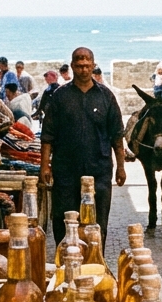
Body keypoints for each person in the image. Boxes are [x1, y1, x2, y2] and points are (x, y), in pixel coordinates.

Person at [40, 46, 126, 242]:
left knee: (97, 224)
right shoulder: (60, 97)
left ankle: (96, 265)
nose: (84, 70)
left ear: (93, 66)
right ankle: (64, 266)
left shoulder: (106, 96)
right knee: (63, 222)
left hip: (99, 171)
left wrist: (120, 167)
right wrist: (44, 165)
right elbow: (47, 135)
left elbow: (117, 135)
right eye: (79, 66)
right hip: (66, 172)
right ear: (72, 67)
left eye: (87, 66)